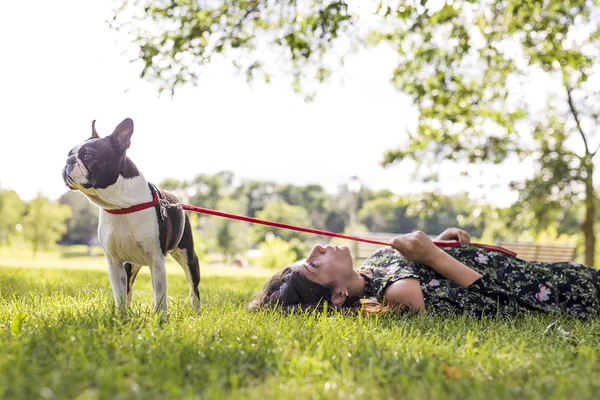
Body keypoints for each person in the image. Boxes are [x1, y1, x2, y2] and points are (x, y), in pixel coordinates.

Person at [249, 228, 600, 318]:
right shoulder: (399, 295)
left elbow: (426, 263)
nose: (317, 248)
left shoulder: (372, 264)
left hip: (546, 271)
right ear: (338, 295)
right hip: (557, 289)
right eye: (313, 264)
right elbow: (498, 301)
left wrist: (442, 243)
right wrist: (433, 255)